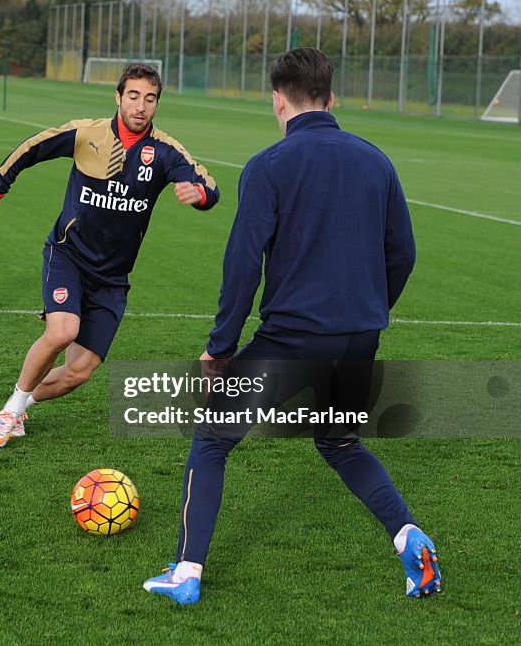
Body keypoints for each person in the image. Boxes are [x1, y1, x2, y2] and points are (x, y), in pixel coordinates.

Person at [143, 47, 441, 605]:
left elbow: (241, 264)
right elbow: (402, 252)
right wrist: (371, 313)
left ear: (277, 101)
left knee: (210, 441)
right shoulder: (376, 160)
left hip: (291, 338)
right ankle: (409, 536)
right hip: (359, 336)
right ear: (332, 98)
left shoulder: (269, 165)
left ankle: (185, 573)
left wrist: (220, 348)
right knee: (341, 442)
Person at [0, 62, 219, 447]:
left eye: (150, 98)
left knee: (80, 371)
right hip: (68, 256)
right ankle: (11, 408)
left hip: (112, 278)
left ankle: (20, 407)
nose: (141, 106)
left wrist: (199, 195)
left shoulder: (164, 151)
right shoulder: (86, 134)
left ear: (157, 103)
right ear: (119, 97)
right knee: (63, 331)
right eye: (134, 96)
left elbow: (207, 184)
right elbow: (32, 147)